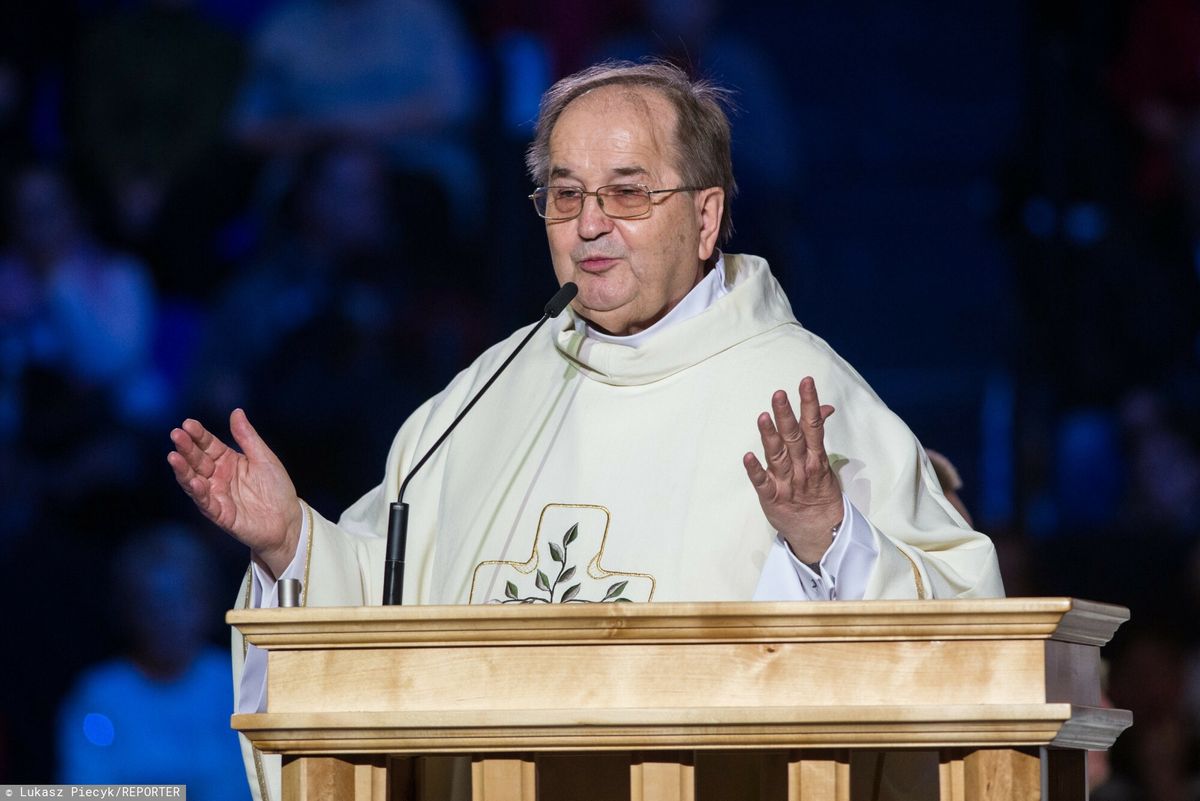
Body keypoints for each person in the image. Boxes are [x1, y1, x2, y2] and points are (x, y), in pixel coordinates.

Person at [168, 61, 1004, 800]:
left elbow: (970, 640)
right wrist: (292, 547)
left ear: (707, 219)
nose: (589, 223)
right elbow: (383, 592)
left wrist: (829, 539)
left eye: (628, 192)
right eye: (565, 195)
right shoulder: (490, 391)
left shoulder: (798, 387)